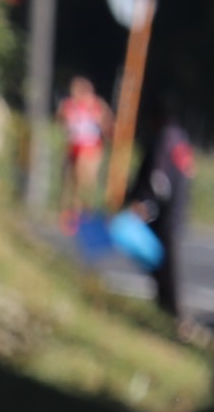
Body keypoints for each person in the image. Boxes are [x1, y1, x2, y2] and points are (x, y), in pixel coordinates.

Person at [124, 95, 196, 323]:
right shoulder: (180, 137)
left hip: (163, 213)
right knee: (168, 262)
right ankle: (170, 311)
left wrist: (143, 203)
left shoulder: (164, 139)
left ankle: (170, 312)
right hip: (178, 209)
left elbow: (158, 179)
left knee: (163, 264)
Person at [57, 75, 114, 230]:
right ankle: (71, 213)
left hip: (91, 150)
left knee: (86, 182)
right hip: (73, 148)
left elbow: (107, 125)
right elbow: (61, 121)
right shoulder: (69, 105)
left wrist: (101, 121)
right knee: (71, 182)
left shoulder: (97, 105)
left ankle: (84, 213)